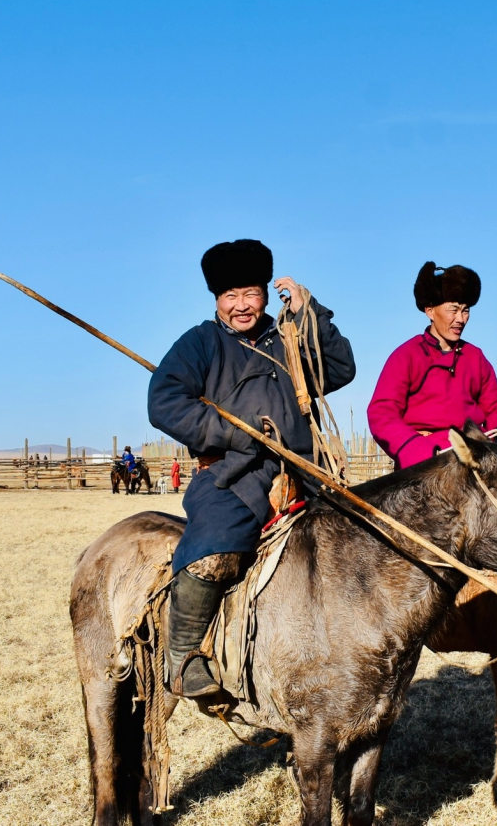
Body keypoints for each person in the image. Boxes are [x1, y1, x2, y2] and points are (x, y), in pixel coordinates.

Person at [148, 238, 356, 698]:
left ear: (266, 293)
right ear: (217, 299)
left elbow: (339, 369)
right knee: (216, 546)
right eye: (231, 296)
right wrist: (233, 433)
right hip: (233, 475)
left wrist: (309, 313)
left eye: (251, 294)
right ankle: (182, 658)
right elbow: (164, 402)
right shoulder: (199, 343)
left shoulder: (289, 337)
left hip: (305, 471)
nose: (242, 306)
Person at [368, 262, 497, 467]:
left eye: (465, 311)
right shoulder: (406, 356)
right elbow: (382, 413)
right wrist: (419, 448)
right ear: (430, 311)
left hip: (473, 456)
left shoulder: (475, 357)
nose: (460, 319)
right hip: (427, 463)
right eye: (453, 310)